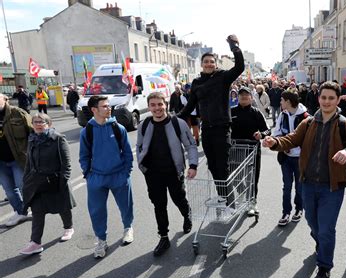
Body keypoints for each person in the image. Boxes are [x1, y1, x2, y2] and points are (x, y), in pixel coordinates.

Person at [263, 81, 346, 278]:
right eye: (323, 97)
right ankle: (321, 244)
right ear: (318, 98)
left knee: (327, 229)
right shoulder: (308, 123)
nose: (327, 101)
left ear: (338, 100)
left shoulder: (345, 125)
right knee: (313, 223)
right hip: (308, 184)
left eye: (331, 98)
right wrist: (274, 142)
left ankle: (324, 267)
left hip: (332, 187)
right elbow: (292, 139)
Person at [178, 35, 244, 205]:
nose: (209, 64)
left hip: (222, 128)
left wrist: (234, 46)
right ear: (201, 64)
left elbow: (239, 67)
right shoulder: (197, 82)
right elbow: (190, 106)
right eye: (206, 61)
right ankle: (223, 197)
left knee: (222, 166)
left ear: (215, 64)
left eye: (211, 62)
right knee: (212, 166)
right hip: (206, 129)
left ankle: (230, 201)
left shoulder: (223, 77)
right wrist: (173, 118)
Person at [137, 92, 198, 256]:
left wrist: (192, 165)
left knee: (179, 199)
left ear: (165, 105)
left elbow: (191, 145)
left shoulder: (178, 123)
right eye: (153, 105)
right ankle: (163, 237)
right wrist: (142, 166)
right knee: (159, 205)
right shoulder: (144, 125)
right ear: (149, 107)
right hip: (152, 174)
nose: (157, 108)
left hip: (173, 172)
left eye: (160, 104)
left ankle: (187, 215)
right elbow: (139, 146)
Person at [79, 95, 134, 259]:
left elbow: (128, 153)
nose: (109, 108)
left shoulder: (118, 128)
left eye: (109, 106)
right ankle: (101, 241)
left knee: (126, 205)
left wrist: (126, 172)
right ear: (94, 110)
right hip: (96, 178)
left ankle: (128, 228)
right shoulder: (87, 131)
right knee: (97, 212)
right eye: (104, 106)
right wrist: (88, 174)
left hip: (119, 175)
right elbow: (84, 156)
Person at [20, 113, 76, 255]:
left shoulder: (58, 139)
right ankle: (35, 243)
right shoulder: (32, 139)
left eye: (42, 122)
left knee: (62, 207)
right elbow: (29, 163)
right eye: (35, 122)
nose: (38, 124)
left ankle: (68, 227)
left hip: (55, 181)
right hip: (37, 183)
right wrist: (26, 180)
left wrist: (63, 182)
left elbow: (67, 163)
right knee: (37, 211)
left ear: (48, 124)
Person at [230, 87, 271, 216]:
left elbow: (267, 130)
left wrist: (261, 134)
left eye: (246, 95)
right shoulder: (231, 112)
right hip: (235, 149)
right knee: (234, 176)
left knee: (252, 178)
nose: (244, 97)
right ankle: (242, 192)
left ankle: (252, 202)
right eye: (241, 95)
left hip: (252, 149)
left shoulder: (256, 113)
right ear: (238, 97)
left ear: (251, 98)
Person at [272, 91, 308, 227]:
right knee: (286, 186)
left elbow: (308, 139)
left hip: (299, 158)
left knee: (299, 187)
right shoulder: (282, 115)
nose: (280, 103)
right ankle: (286, 212)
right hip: (286, 158)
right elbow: (277, 133)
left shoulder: (305, 117)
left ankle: (299, 209)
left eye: (282, 100)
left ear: (288, 101)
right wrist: (282, 144)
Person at [0, 93, 32, 227]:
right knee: (9, 191)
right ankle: (20, 212)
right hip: (1, 162)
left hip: (18, 159)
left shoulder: (17, 113)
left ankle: (34, 210)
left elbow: (33, 132)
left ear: (4, 99)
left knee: (23, 186)